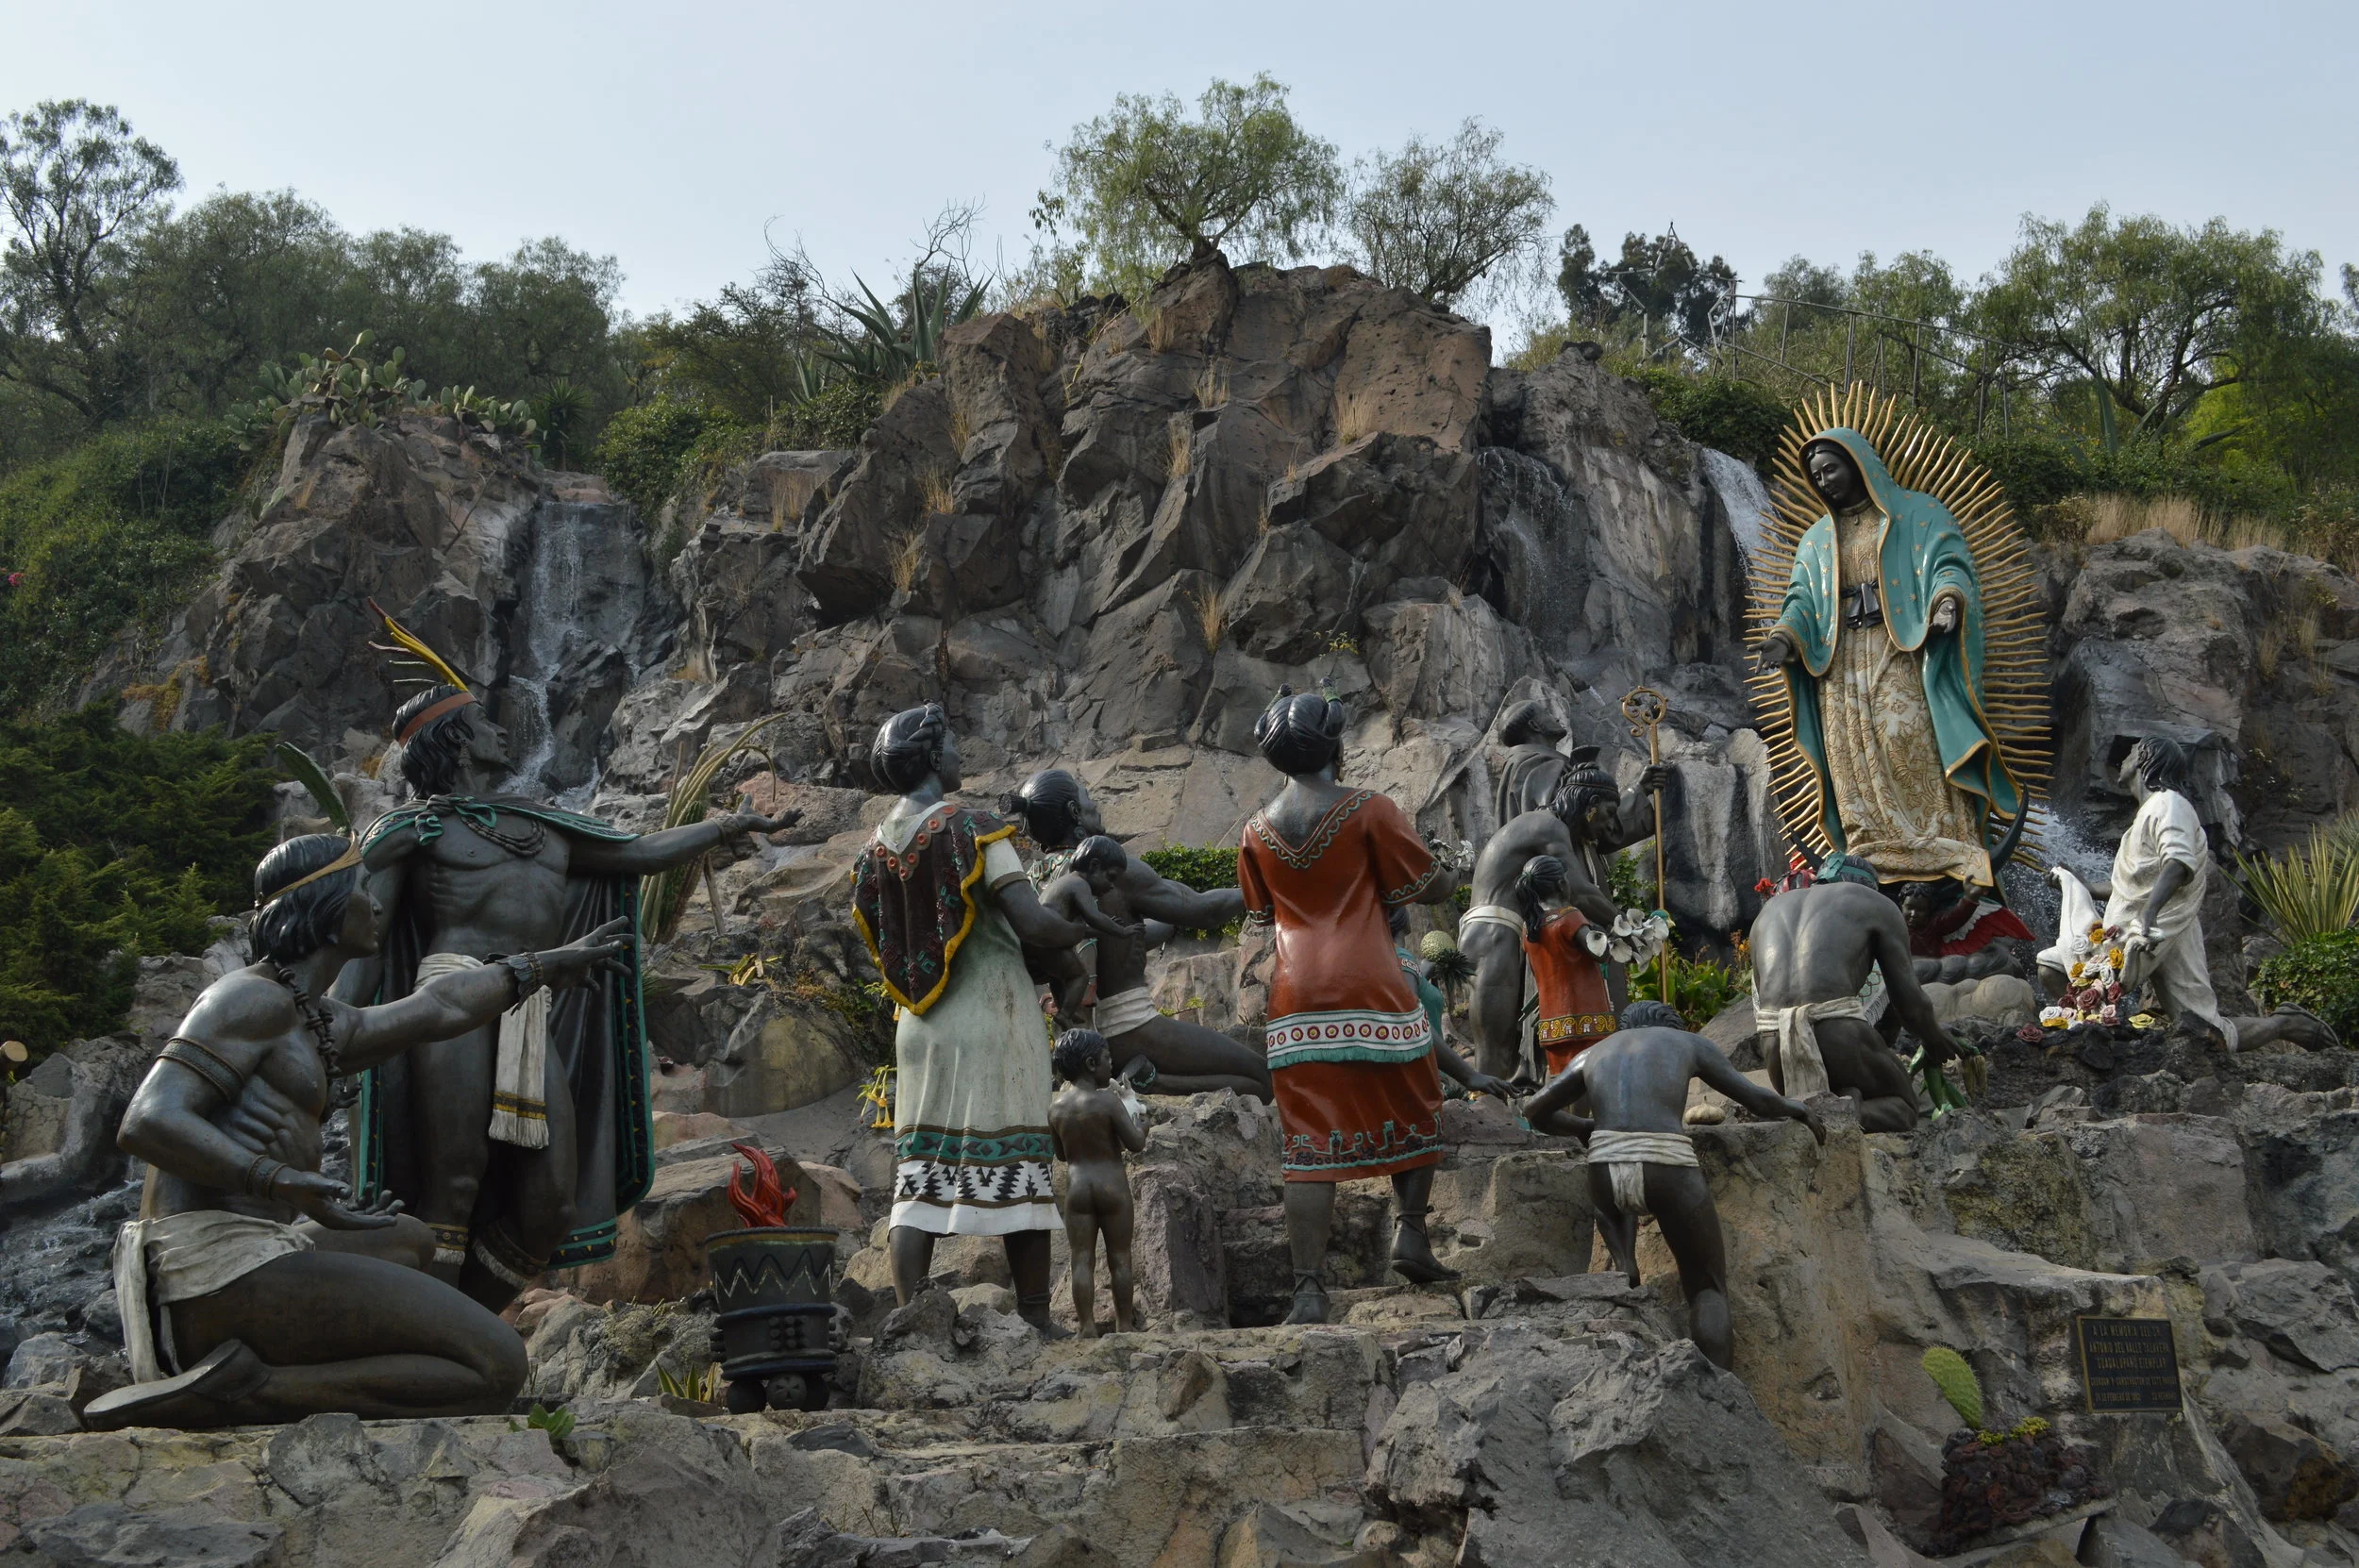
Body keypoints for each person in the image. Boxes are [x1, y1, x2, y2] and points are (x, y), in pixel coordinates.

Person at [85, 835, 633, 1430]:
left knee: (408, 1239)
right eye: (361, 888)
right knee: (498, 1366)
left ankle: (274, 1371)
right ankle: (247, 1389)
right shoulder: (245, 998)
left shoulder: (315, 1020)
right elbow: (146, 1120)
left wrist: (539, 967)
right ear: (321, 903)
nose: (375, 904)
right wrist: (279, 1180)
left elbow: (438, 1008)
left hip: (253, 1251)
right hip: (209, 1273)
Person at [333, 684, 796, 1310]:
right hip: (452, 999)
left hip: (530, 1005)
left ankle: (467, 1322)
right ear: (457, 741)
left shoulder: (544, 825)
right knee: (454, 1183)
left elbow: (638, 854)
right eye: (483, 721)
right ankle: (436, 1341)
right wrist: (339, 1044)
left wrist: (728, 824)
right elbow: (367, 943)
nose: (501, 730)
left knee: (552, 1202)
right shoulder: (415, 830)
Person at [851, 706, 1095, 1334]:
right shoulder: (973, 829)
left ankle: (911, 1319)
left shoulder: (876, 847)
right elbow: (1033, 923)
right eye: (955, 744)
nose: (963, 755)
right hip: (991, 1017)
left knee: (919, 1181)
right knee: (1020, 1167)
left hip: (919, 1029)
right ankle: (1036, 1318)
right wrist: (1091, 927)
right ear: (934, 758)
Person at [1237, 689, 1464, 1325]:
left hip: (1295, 993)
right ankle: (1411, 1234)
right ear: (1335, 746)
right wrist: (1450, 867)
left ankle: (1309, 1292)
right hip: (1371, 980)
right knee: (1417, 1098)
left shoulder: (1255, 830)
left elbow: (1261, 910)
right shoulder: (1369, 809)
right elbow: (1426, 885)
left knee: (1308, 1142)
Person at [1755, 428, 2023, 889]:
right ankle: (1868, 848)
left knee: (1904, 737)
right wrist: (1784, 637)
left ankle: (1941, 840)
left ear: (1858, 463)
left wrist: (1946, 602)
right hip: (1839, 664)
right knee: (1848, 755)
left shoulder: (1918, 513)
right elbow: (1801, 600)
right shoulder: (1817, 539)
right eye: (1816, 476)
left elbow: (1948, 563)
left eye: (1831, 469)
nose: (1825, 482)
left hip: (1899, 648)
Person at [1522, 1002, 1823, 1370]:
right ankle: (1718, 1388)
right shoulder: (1688, 1043)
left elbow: (1535, 1110)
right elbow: (1757, 1100)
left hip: (1603, 1167)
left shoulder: (1593, 1053)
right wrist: (1798, 1108)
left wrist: (1584, 1128)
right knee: (1707, 1288)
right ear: (1673, 1025)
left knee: (1618, 1250)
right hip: (1665, 1164)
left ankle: (1625, 1271)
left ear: (1625, 1027)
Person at [2038, 739, 2336, 1052]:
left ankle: (2283, 1024)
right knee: (2052, 967)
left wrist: (2150, 914)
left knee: (2205, 1033)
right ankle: (2099, 1035)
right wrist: (2080, 884)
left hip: (2161, 928)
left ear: (2145, 758)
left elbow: (2178, 863)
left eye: (2131, 753)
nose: (2123, 759)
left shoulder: (2170, 804)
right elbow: (2129, 888)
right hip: (2129, 931)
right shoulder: (2142, 819)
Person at [1008, 769, 1275, 1100]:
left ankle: (1142, 1078)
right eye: (1087, 798)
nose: (1096, 805)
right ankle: (1151, 1082)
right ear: (1074, 811)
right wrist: (1264, 888)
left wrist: (1170, 924)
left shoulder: (1033, 883)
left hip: (1082, 1043)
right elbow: (1205, 910)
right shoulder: (1107, 868)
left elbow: (1116, 942)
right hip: (1131, 1027)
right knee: (1261, 1078)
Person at [1460, 752, 1667, 1082]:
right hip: (1494, 933)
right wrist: (1629, 929)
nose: (1607, 826)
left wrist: (1638, 791)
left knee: (1510, 1051)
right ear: (1590, 805)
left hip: (1513, 933)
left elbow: (1607, 839)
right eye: (1607, 814)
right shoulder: (1548, 826)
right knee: (1495, 1050)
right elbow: (1579, 892)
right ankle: (1485, 1111)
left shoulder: (1562, 831)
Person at [1746, 857, 1961, 1132]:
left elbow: (1762, 996)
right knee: (1905, 1108)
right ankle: (1843, 1113)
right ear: (1869, 886)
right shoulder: (1875, 903)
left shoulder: (1768, 911)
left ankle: (1814, 1108)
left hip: (1776, 1049)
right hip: (1836, 1035)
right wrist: (1934, 1040)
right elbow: (1909, 1003)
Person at [1047, 1028, 1146, 1338]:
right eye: (1107, 1059)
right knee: (1120, 1257)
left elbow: (1061, 1155)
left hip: (1078, 1188)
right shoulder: (1108, 1102)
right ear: (1091, 1064)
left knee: (1081, 1259)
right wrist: (1140, 1121)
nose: (1110, 1065)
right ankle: (1124, 1324)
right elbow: (1135, 1144)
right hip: (1112, 1186)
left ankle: (1086, 1326)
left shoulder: (1056, 1109)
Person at [1389, 906, 1514, 1102]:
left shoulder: (1393, 959)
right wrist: (1470, 1076)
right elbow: (1411, 1016)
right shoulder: (1401, 957)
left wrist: (1422, 973)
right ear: (1400, 917)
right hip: (1424, 1077)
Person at [1514, 857, 1620, 1077]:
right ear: (1562, 884)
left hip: (1551, 1025)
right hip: (1585, 1020)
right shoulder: (1570, 917)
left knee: (1561, 1083)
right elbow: (1600, 953)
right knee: (1591, 1080)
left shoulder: (1529, 927)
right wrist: (1618, 935)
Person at [1491, 699, 1571, 826]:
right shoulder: (1542, 764)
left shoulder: (1517, 764)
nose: (1556, 718)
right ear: (1534, 725)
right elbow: (1562, 816)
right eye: (1547, 713)